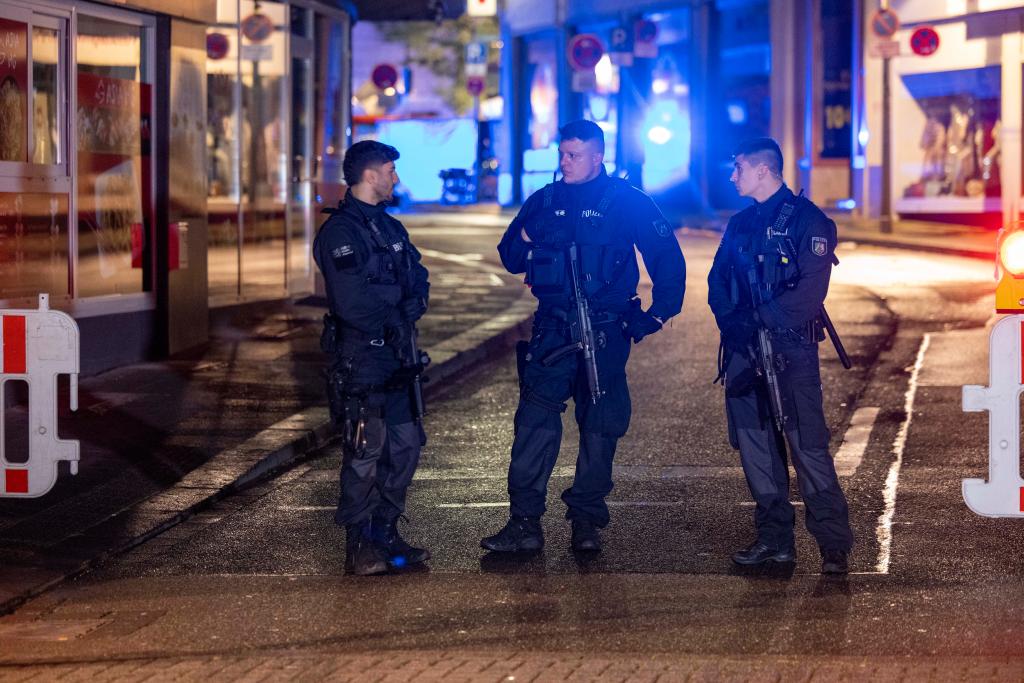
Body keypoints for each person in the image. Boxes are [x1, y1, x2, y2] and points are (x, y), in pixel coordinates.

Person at [483, 119, 686, 553]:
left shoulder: (628, 202)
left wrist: (657, 314)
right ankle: (524, 523)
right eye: (562, 154)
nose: (565, 162)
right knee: (534, 423)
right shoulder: (546, 199)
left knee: (600, 425)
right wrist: (526, 232)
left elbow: (666, 258)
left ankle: (586, 521)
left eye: (574, 155)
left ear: (598, 157)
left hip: (606, 330)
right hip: (553, 329)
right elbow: (510, 257)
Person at [707, 137, 854, 574]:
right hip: (744, 351)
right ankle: (775, 541)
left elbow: (809, 293)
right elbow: (718, 280)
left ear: (763, 171)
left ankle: (833, 547)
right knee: (757, 450)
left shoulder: (809, 223)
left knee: (808, 447)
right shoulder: (739, 224)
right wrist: (732, 321)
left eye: (739, 168)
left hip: (791, 350)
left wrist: (761, 318)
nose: (733, 176)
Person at [313, 140, 430, 576]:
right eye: (390, 170)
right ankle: (359, 543)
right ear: (369, 175)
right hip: (363, 357)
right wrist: (398, 312)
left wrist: (412, 304)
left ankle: (386, 530)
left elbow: (418, 277)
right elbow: (352, 303)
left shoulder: (390, 228)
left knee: (406, 446)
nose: (395, 178)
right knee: (365, 452)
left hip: (401, 356)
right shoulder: (341, 233)